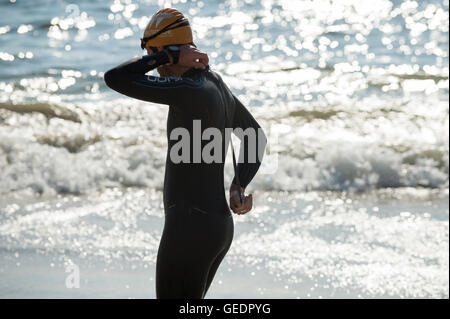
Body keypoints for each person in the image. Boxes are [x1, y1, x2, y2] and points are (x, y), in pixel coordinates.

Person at [104, 8, 266, 299]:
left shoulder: (188, 89)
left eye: (154, 54)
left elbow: (115, 78)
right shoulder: (214, 83)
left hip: (188, 231)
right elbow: (255, 136)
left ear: (173, 50)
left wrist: (167, 57)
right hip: (217, 228)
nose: (152, 65)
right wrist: (238, 184)